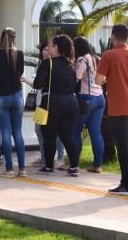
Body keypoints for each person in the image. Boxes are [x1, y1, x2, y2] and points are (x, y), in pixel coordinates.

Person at [96, 24, 128, 196]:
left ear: (113, 36)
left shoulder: (108, 55)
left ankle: (127, 184)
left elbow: (98, 80)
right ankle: (127, 182)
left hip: (118, 108)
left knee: (122, 147)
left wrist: (110, 79)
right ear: (127, 37)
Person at [33, 34, 81, 176]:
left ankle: (49, 166)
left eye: (51, 45)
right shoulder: (71, 65)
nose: (48, 48)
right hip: (71, 102)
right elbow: (76, 86)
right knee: (68, 136)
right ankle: (74, 166)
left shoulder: (48, 63)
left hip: (52, 102)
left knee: (49, 135)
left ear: (57, 47)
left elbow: (37, 84)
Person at [0, 27, 27, 177]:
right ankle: (22, 169)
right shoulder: (19, 54)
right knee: (18, 132)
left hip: (1, 97)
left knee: (5, 132)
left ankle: (9, 169)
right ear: (14, 38)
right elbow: (20, 73)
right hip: (17, 96)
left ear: (1, 38)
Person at [22, 41, 65, 168]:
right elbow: (38, 85)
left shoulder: (56, 64)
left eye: (48, 49)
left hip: (53, 103)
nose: (47, 52)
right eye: (45, 49)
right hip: (41, 103)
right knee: (39, 130)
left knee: (57, 131)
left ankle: (60, 157)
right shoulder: (41, 64)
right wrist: (26, 80)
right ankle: (44, 157)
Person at [73, 36, 105, 173]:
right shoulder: (97, 58)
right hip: (100, 98)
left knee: (75, 131)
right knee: (96, 132)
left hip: (86, 98)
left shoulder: (83, 59)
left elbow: (77, 78)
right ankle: (97, 165)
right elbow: (103, 79)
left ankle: (74, 164)